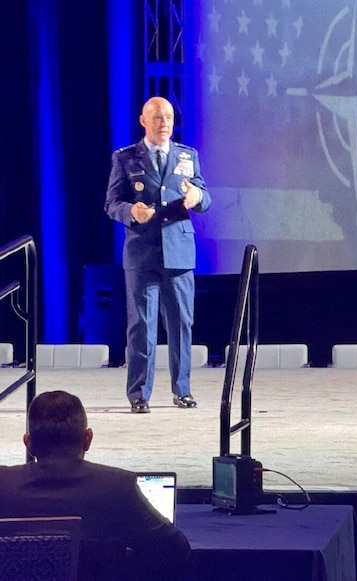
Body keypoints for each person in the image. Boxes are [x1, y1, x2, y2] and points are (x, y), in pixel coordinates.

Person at [0, 391, 190, 579]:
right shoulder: (117, 487)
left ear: (28, 443)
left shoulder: (3, 485)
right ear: (88, 439)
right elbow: (176, 548)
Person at [105, 96, 211, 413]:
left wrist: (197, 196)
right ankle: (139, 394)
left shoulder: (187, 156)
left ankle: (182, 390)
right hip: (142, 253)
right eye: (157, 118)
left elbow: (205, 198)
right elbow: (112, 203)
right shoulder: (125, 159)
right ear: (143, 121)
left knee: (181, 325)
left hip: (178, 252)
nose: (164, 123)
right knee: (142, 326)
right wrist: (130, 210)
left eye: (167, 117)